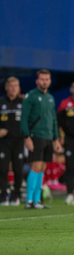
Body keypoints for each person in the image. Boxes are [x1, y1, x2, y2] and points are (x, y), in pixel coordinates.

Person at [20, 69, 62, 209]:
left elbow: (54, 119)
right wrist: (27, 137)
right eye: (42, 79)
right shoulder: (30, 96)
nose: (45, 82)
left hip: (49, 137)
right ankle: (29, 201)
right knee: (36, 166)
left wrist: (56, 138)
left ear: (50, 81)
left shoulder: (50, 98)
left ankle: (37, 200)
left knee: (43, 168)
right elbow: (24, 118)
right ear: (37, 81)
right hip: (35, 136)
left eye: (47, 79)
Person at [0, 77, 24, 206]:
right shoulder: (1, 102)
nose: (13, 88)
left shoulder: (24, 102)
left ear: (19, 88)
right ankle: (3, 196)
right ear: (6, 87)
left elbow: (30, 120)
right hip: (3, 142)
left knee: (18, 170)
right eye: (11, 86)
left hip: (19, 141)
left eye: (16, 85)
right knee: (3, 169)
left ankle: (16, 195)